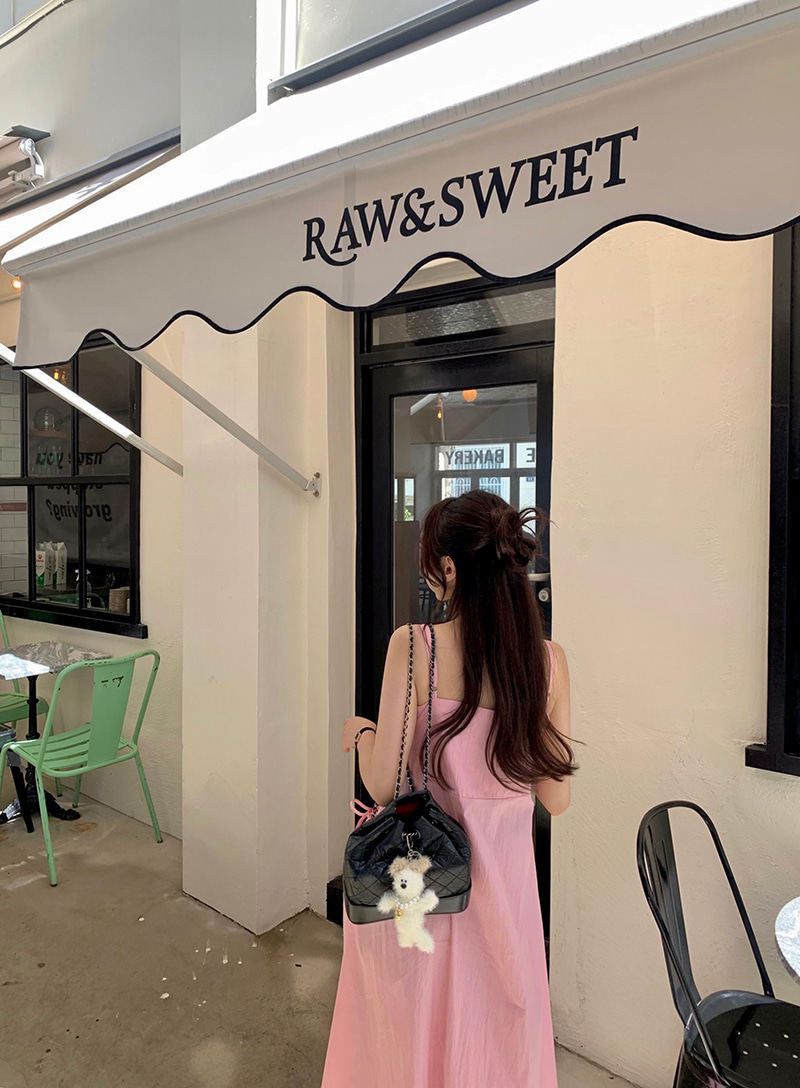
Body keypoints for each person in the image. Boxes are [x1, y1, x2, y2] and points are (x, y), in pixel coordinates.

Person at [321, 489, 575, 1088]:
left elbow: (383, 783)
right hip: (507, 904)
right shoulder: (548, 663)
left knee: (413, 1045)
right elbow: (556, 798)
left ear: (450, 568)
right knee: (495, 1047)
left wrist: (362, 731)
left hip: (426, 895)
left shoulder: (416, 645)